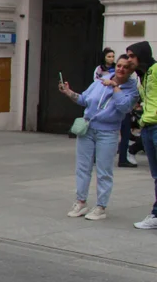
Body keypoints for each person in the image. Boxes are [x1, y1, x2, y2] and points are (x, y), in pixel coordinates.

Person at [58, 55, 138, 221]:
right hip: (88, 128)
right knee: (83, 167)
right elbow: (84, 100)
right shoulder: (101, 80)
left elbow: (124, 107)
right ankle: (80, 202)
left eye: (125, 68)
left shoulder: (131, 90)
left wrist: (115, 87)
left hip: (108, 132)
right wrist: (69, 93)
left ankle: (101, 206)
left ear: (130, 72)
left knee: (104, 170)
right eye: (119, 66)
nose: (121, 69)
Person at [127, 42, 157, 230]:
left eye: (131, 56)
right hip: (147, 127)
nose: (129, 59)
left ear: (141, 55)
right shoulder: (142, 76)